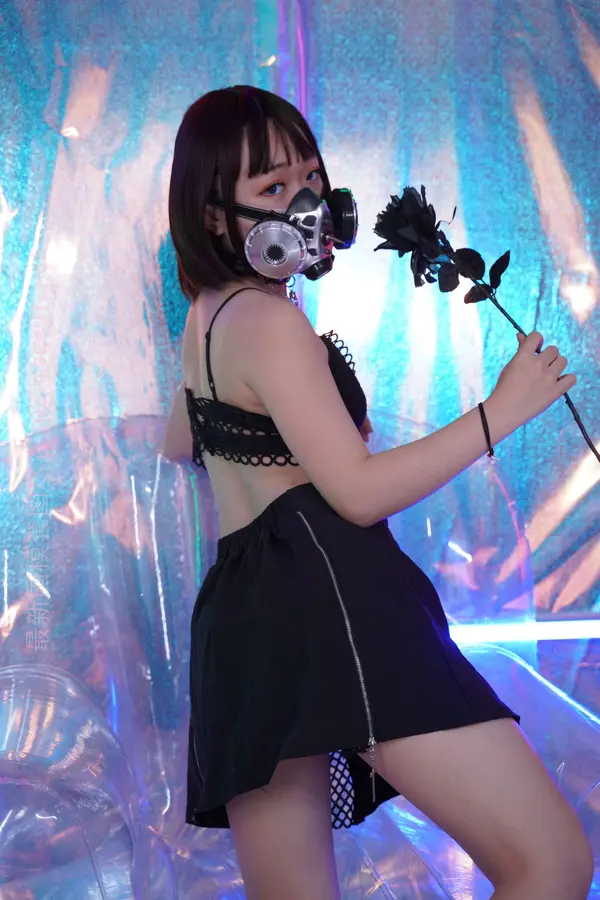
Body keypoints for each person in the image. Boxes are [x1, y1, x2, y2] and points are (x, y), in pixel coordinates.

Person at [162, 85, 593, 900]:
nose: (305, 202)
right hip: (334, 598)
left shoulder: (207, 317)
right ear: (215, 216)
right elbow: (355, 495)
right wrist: (500, 412)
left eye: (309, 178)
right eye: (272, 187)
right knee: (554, 861)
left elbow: (179, 441)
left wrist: (282, 425)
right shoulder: (270, 322)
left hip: (245, 623)